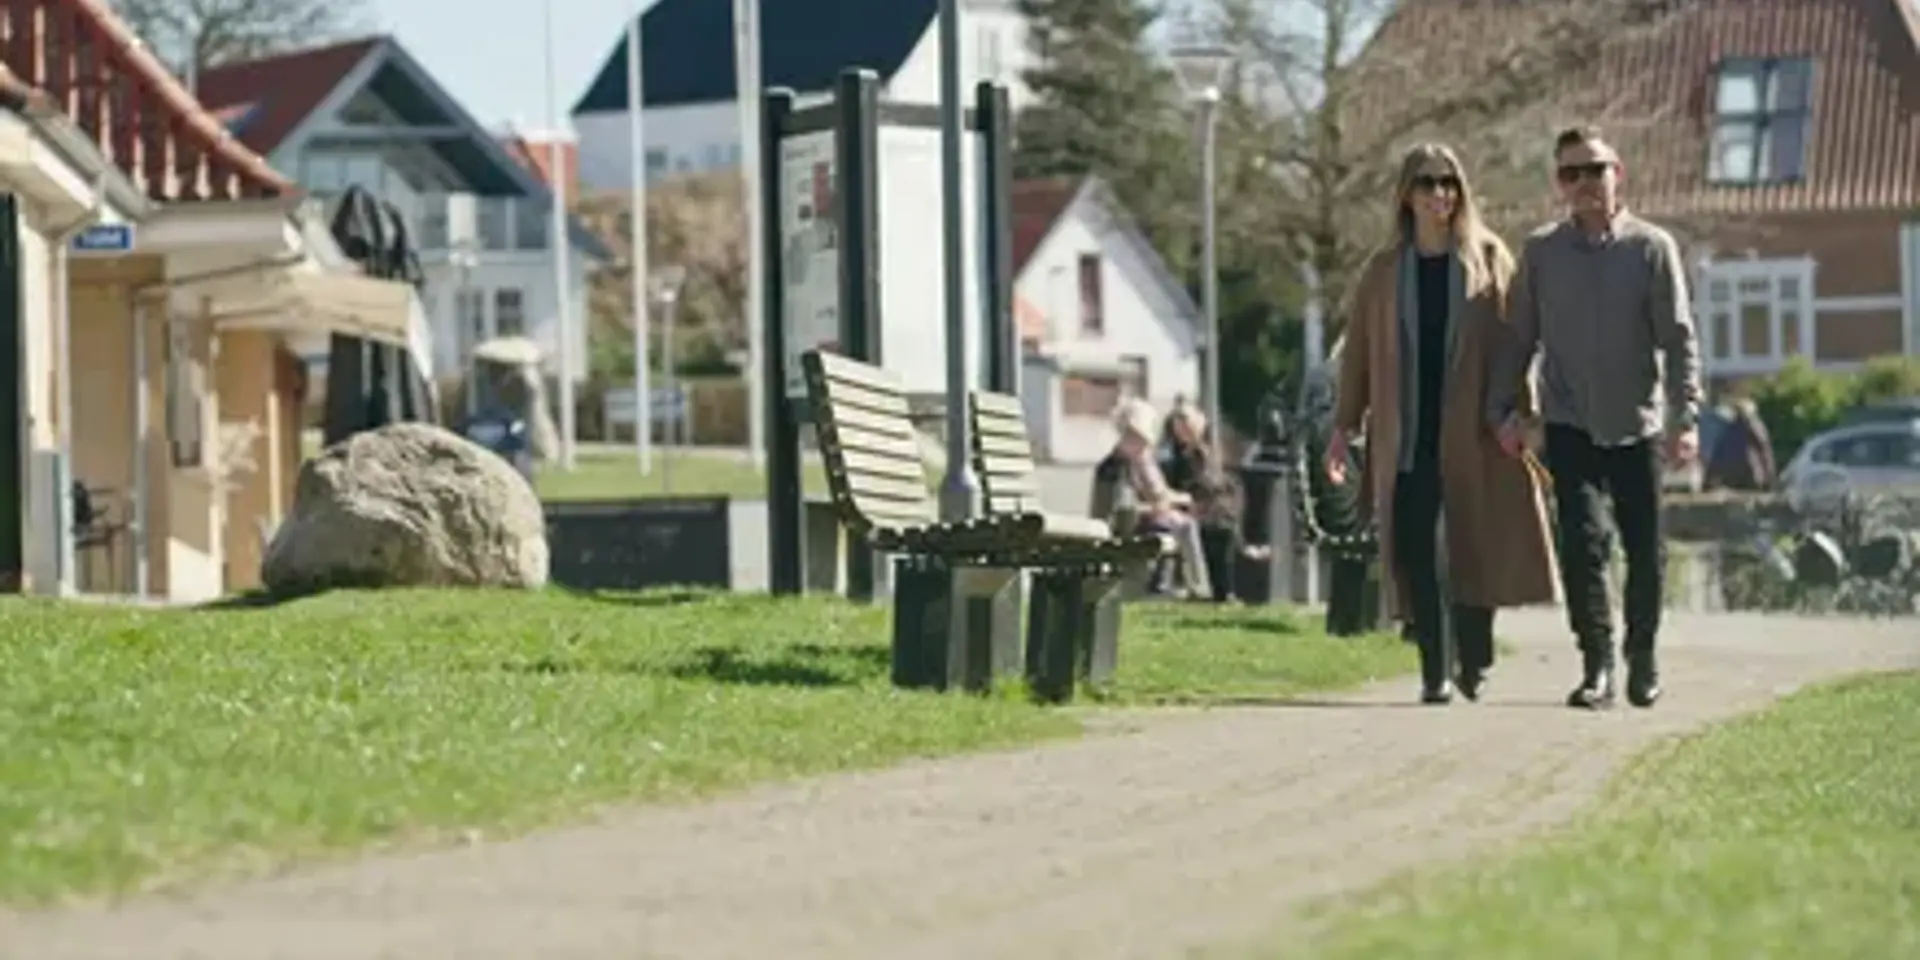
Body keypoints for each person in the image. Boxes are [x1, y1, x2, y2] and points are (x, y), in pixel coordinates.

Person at [1328, 142, 1559, 704]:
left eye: (1449, 182)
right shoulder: (1383, 271)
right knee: (1416, 549)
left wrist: (1521, 416)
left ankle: (1474, 652)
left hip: (1474, 429)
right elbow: (1358, 354)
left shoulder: (1487, 257)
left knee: (1474, 543)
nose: (1440, 194)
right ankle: (1435, 667)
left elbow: (1515, 343)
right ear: (1406, 195)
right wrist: (1344, 425)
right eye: (1428, 183)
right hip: (1406, 432)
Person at [1488, 125, 1703, 710]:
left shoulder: (1650, 248)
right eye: (1571, 173)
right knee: (1582, 544)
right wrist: (1503, 410)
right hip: (1569, 421)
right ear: (1559, 184)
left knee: (1644, 550)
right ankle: (1597, 666)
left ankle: (1643, 657)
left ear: (1618, 174)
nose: (1584, 183)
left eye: (1594, 170)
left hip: (1637, 422)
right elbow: (1518, 339)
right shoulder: (1542, 253)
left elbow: (1679, 339)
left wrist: (1685, 417)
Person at [1092, 399, 1210, 598]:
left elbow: (1159, 492)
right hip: (1120, 527)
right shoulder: (1113, 469)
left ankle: (1195, 586)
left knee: (1185, 523)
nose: (1144, 445)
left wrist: (1177, 500)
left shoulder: (1139, 462)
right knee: (1181, 525)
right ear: (1126, 436)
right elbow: (1120, 511)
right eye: (1139, 439)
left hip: (1142, 520)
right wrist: (1154, 508)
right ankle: (1195, 587)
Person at [1163, 405, 1244, 602]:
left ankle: (1224, 589)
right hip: (1187, 505)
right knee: (1215, 527)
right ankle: (1216, 589)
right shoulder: (1174, 456)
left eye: (1190, 427)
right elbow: (1178, 484)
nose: (1187, 432)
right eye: (1182, 428)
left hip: (1212, 506)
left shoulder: (1208, 451)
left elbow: (1222, 481)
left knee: (1223, 526)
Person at [1705, 398, 1776, 491]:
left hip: (1742, 475)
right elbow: (1764, 450)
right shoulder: (1734, 428)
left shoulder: (1733, 428)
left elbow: (1763, 449)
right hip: (1747, 475)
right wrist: (1770, 475)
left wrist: (1709, 478)